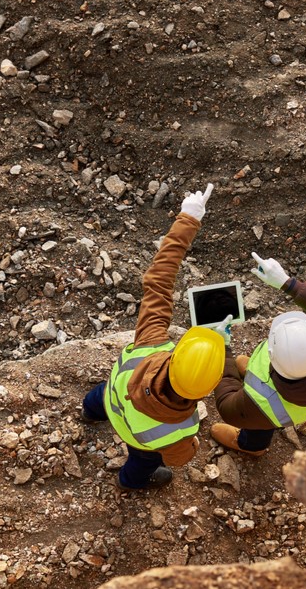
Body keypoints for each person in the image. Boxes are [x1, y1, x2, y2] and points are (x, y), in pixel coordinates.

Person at [81, 184, 231, 490]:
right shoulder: (182, 428)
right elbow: (178, 458)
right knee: (144, 463)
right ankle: (130, 482)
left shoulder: (151, 343)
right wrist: (193, 448)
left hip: (112, 398)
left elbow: (159, 278)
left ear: (177, 353)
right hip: (138, 440)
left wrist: (188, 218)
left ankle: (89, 412)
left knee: (98, 398)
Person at [211, 252, 306, 455]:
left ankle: (253, 446)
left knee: (259, 425)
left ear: (271, 357)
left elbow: (226, 403)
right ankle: (251, 377)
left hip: (269, 411)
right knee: (263, 413)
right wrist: (287, 283)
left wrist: (223, 350)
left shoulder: (261, 403)